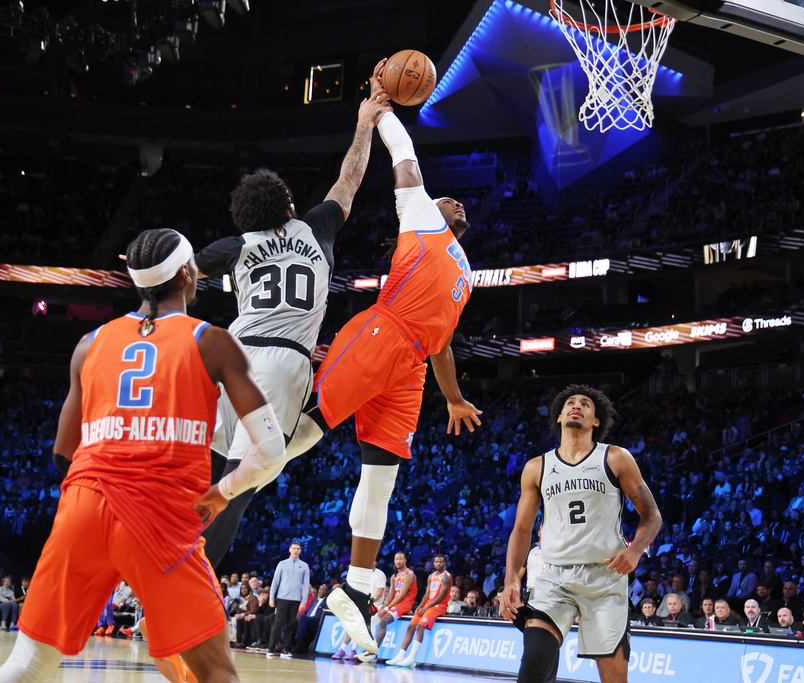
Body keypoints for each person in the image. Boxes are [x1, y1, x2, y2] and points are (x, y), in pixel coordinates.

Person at [0, 228, 281, 683]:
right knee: (216, 672)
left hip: (84, 504)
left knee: (24, 668)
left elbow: (63, 453)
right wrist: (223, 492)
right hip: (160, 517)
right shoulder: (211, 340)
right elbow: (270, 450)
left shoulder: (89, 344)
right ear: (186, 274)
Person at [250, 57, 483, 654]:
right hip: (382, 333)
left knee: (380, 481)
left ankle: (353, 589)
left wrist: (453, 396)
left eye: (458, 202)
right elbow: (405, 157)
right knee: (306, 434)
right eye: (448, 197)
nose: (455, 201)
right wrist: (381, 109)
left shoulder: (465, 273)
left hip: (411, 366)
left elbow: (444, 343)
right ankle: (233, 485)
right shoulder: (421, 217)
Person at [195, 68, 393, 568]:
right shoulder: (315, 228)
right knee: (241, 482)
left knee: (215, 469)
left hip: (229, 355)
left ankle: (166, 568)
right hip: (281, 364)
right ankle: (190, 589)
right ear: (287, 205)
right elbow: (350, 178)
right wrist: (365, 122)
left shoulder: (238, 245)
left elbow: (185, 269)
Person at [500, 385, 663, 683]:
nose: (577, 406)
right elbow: (522, 530)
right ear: (560, 416)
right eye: (570, 403)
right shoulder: (537, 467)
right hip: (555, 579)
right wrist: (511, 579)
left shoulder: (615, 458)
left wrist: (635, 550)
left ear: (596, 420)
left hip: (605, 579)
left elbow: (652, 515)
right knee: (533, 666)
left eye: (586, 404)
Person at [385, 554, 451, 668]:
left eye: (441, 562)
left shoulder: (447, 576)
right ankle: (400, 655)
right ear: (433, 563)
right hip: (428, 604)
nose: (438, 564)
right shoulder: (431, 576)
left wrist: (426, 608)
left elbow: (441, 596)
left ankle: (411, 658)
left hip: (439, 606)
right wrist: (420, 606)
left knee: (420, 626)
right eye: (436, 562)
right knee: (411, 626)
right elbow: (427, 594)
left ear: (445, 563)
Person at [358, 551, 417, 664]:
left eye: (400, 559)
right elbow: (390, 594)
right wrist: (383, 606)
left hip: (405, 603)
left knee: (383, 620)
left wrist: (386, 609)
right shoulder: (394, 576)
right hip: (395, 603)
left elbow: (402, 596)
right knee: (375, 618)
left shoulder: (409, 574)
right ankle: (370, 651)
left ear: (405, 561)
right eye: (396, 559)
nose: (398, 561)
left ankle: (373, 652)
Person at [333, 561, 386, 661]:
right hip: (362, 603)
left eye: (373, 559)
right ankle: (342, 649)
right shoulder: (362, 575)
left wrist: (368, 601)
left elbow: (379, 594)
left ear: (376, 562)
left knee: (361, 622)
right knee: (352, 623)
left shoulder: (380, 575)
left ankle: (354, 650)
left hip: (375, 605)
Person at [267, 541, 309, 659]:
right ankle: (271, 648)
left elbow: (306, 584)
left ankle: (285, 648)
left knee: (290, 625)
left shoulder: (304, 565)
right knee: (278, 622)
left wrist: (303, 601)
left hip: (295, 599)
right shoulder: (282, 564)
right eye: (294, 548)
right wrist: (271, 598)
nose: (296, 550)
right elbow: (275, 581)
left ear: (300, 551)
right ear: (289, 550)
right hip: (282, 598)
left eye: (298, 548)